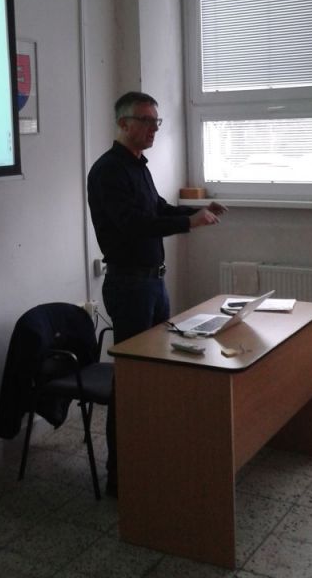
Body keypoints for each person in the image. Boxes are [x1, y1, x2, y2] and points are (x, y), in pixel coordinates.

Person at [87, 91, 227, 496]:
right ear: (123, 123)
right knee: (133, 379)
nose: (153, 129)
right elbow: (133, 225)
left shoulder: (138, 166)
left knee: (158, 372)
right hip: (129, 285)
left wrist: (195, 212)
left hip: (151, 283)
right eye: (146, 121)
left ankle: (152, 457)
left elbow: (158, 209)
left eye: (156, 122)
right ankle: (121, 475)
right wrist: (188, 224)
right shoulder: (108, 171)